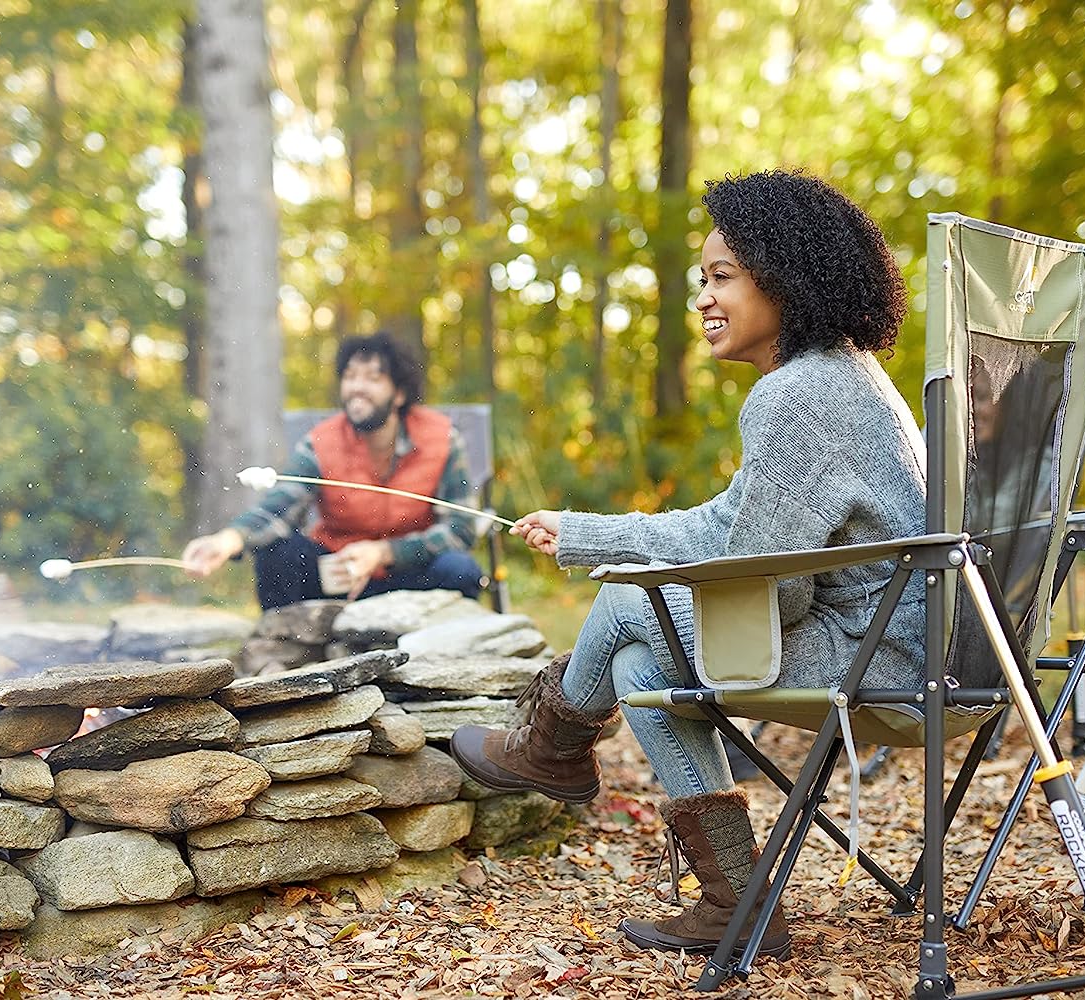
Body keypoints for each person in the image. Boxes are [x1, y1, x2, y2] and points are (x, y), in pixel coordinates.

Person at [450, 170, 926, 960]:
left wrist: (607, 553)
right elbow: (735, 529)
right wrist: (583, 531)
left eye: (723, 277)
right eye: (702, 279)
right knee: (640, 668)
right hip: (913, 654)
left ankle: (555, 747)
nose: (704, 298)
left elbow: (765, 581)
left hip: (885, 663)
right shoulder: (841, 377)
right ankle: (738, 902)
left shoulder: (798, 395)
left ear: (787, 275)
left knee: (629, 606)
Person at [182, 332, 485, 609]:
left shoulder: (442, 438)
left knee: (461, 570)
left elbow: (461, 529)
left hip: (409, 579)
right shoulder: (320, 443)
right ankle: (285, 648)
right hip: (336, 578)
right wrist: (227, 540)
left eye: (373, 378)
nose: (357, 387)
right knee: (278, 554)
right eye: (350, 376)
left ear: (399, 394)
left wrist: (385, 553)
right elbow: (279, 506)